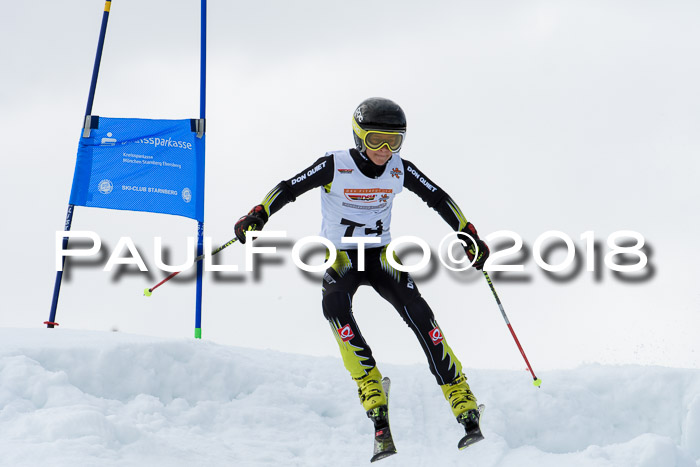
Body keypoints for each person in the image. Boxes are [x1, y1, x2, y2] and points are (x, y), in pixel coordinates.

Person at [234, 97, 490, 444]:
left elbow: (438, 198)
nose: (384, 150)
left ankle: (461, 398)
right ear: (358, 137)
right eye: (375, 140)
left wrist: (467, 233)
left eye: (393, 141)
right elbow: (289, 188)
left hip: (381, 256)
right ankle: (371, 388)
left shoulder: (400, 169)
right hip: (340, 257)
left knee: (420, 314)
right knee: (334, 308)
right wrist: (258, 214)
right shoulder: (334, 165)